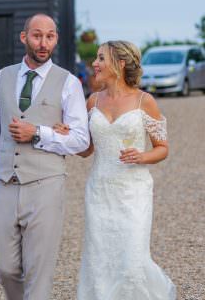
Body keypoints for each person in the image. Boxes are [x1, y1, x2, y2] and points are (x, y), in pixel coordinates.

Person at [0, 13, 90, 299]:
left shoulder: (68, 83)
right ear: (24, 37)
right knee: (4, 266)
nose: (44, 43)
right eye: (37, 35)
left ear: (56, 39)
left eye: (50, 36)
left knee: (38, 271)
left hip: (46, 185)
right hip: (5, 183)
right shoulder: (0, 78)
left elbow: (81, 140)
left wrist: (38, 132)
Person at [55, 40, 176, 299]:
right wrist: (67, 137)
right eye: (96, 58)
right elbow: (86, 150)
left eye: (101, 58)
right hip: (99, 190)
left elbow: (162, 148)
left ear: (120, 64)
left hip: (133, 192)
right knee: (99, 258)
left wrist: (142, 156)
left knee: (132, 259)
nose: (94, 64)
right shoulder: (92, 101)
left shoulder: (145, 101)